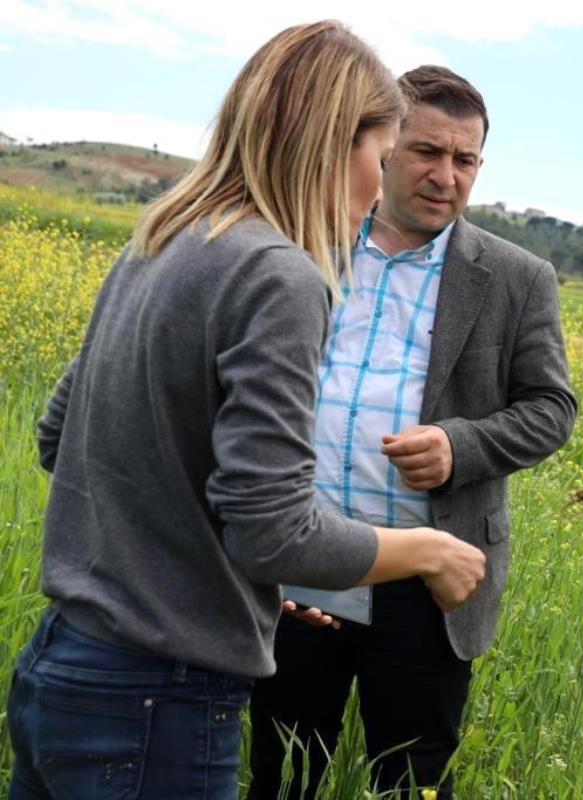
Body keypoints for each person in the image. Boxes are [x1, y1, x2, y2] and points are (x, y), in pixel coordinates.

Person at [4, 22, 488, 800]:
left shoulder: (162, 236)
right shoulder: (278, 273)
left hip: (63, 667)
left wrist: (227, 573)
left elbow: (61, 436)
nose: (378, 181)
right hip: (159, 704)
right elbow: (275, 529)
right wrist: (430, 550)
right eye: (381, 153)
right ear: (336, 143)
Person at [248, 65, 576, 799]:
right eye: (427, 151)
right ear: (385, 146)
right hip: (307, 561)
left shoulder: (516, 277)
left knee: (411, 781)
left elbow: (552, 407)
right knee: (284, 773)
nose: (446, 175)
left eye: (465, 160)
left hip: (426, 581)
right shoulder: (309, 243)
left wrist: (462, 446)